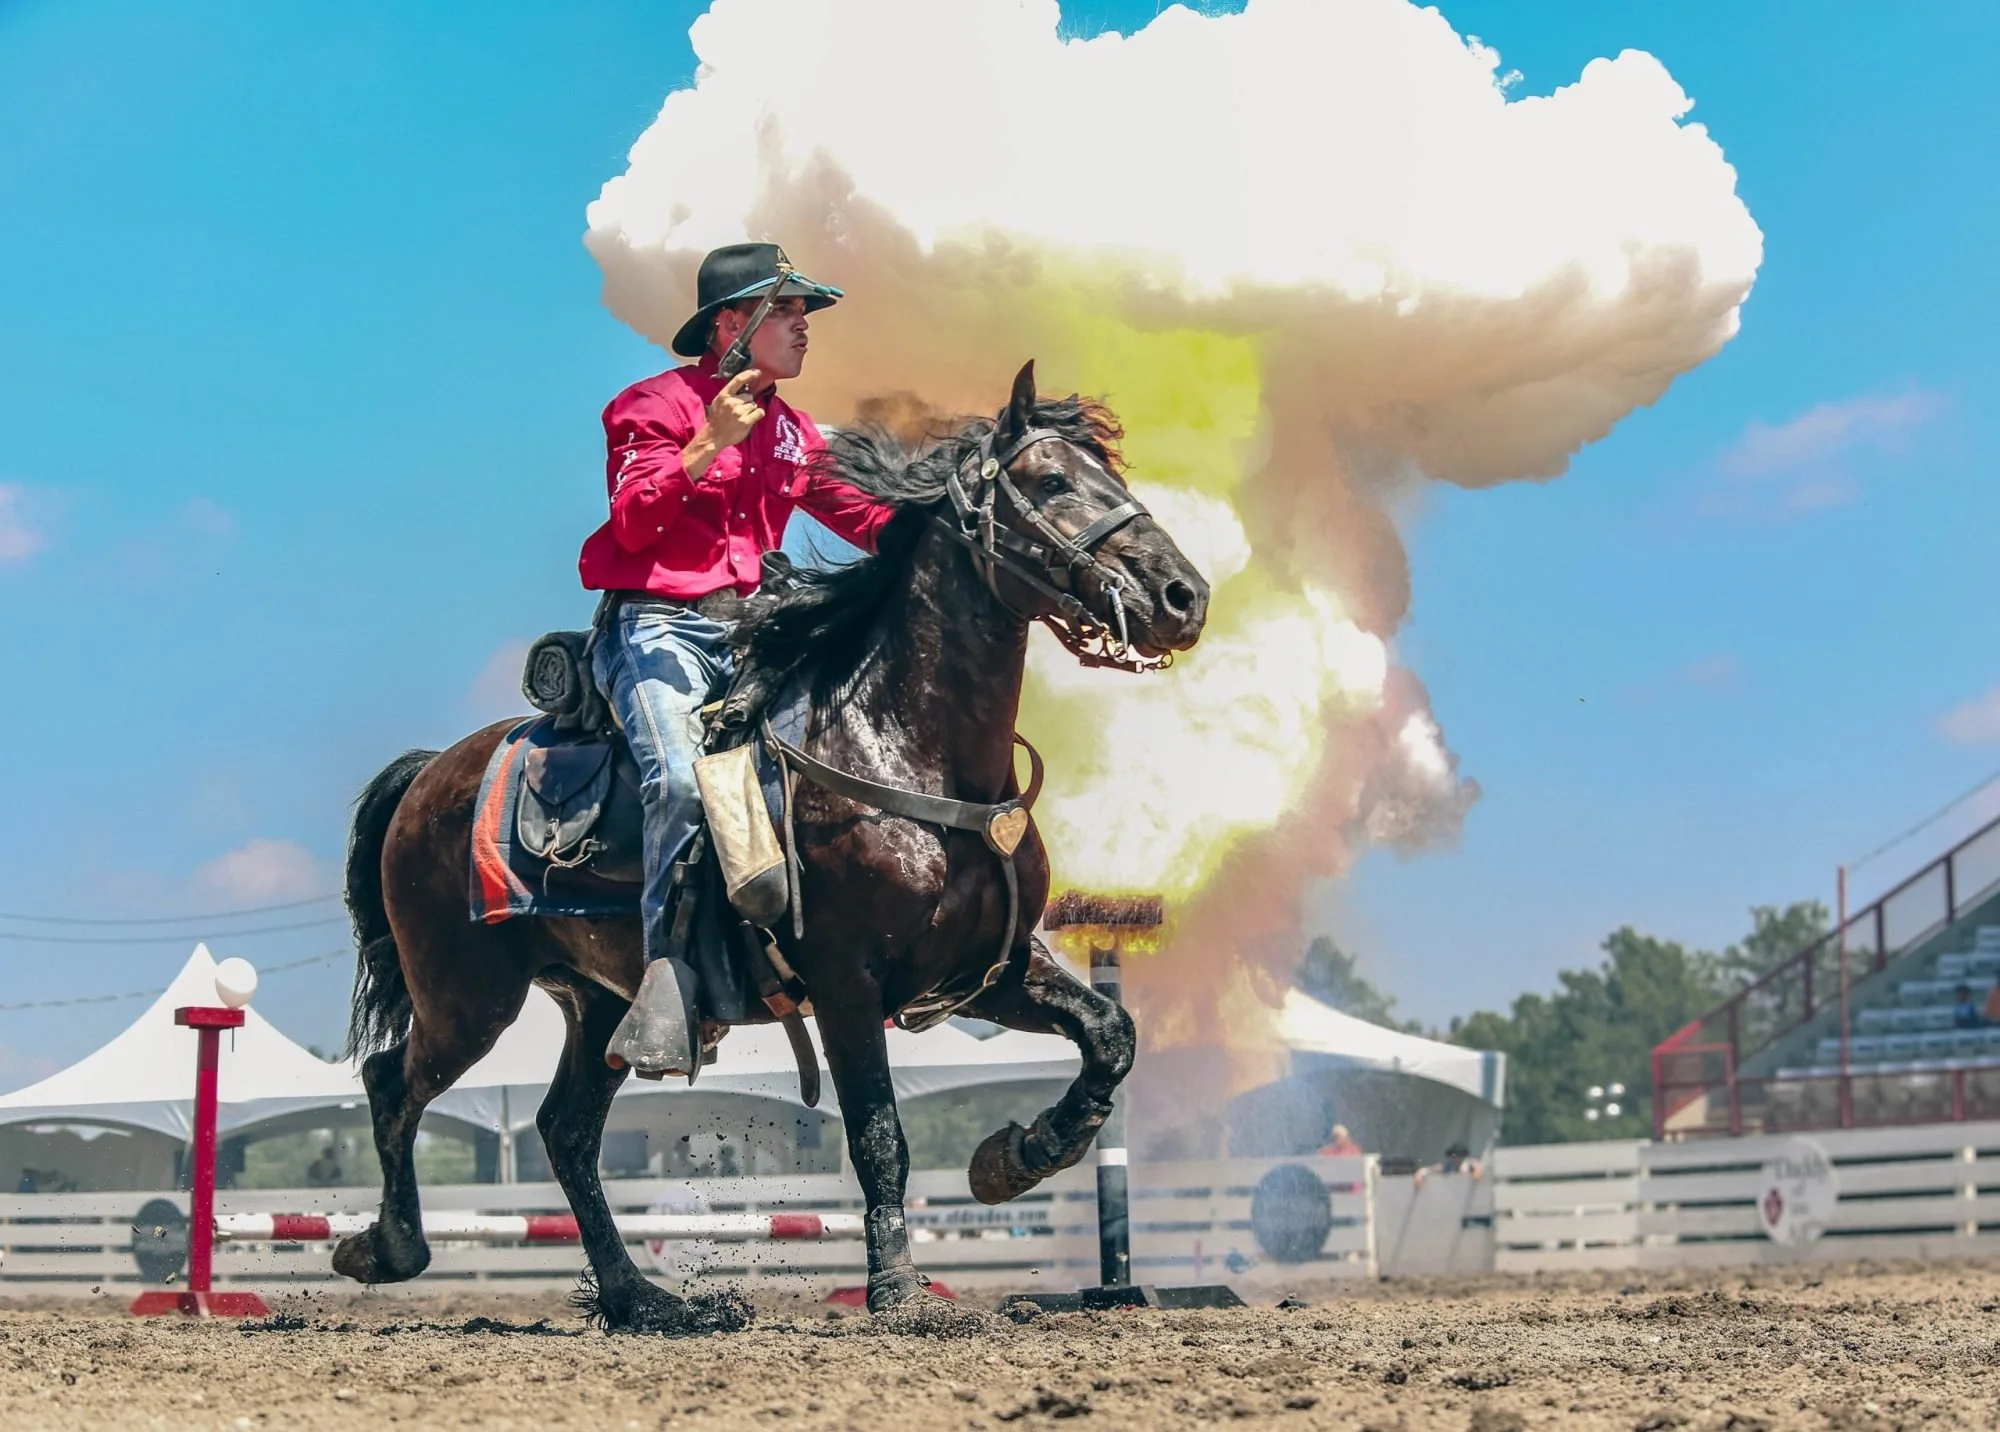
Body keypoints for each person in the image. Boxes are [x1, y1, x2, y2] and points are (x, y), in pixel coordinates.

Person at [578, 243, 896, 1072]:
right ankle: (666, 984)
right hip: (656, 627)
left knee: (838, 774)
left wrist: (962, 533)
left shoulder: (795, 432)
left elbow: (869, 521)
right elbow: (634, 524)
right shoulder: (648, 405)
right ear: (734, 321)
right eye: (787, 311)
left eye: (801, 314)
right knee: (681, 781)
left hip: (755, 634)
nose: (802, 328)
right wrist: (709, 443)